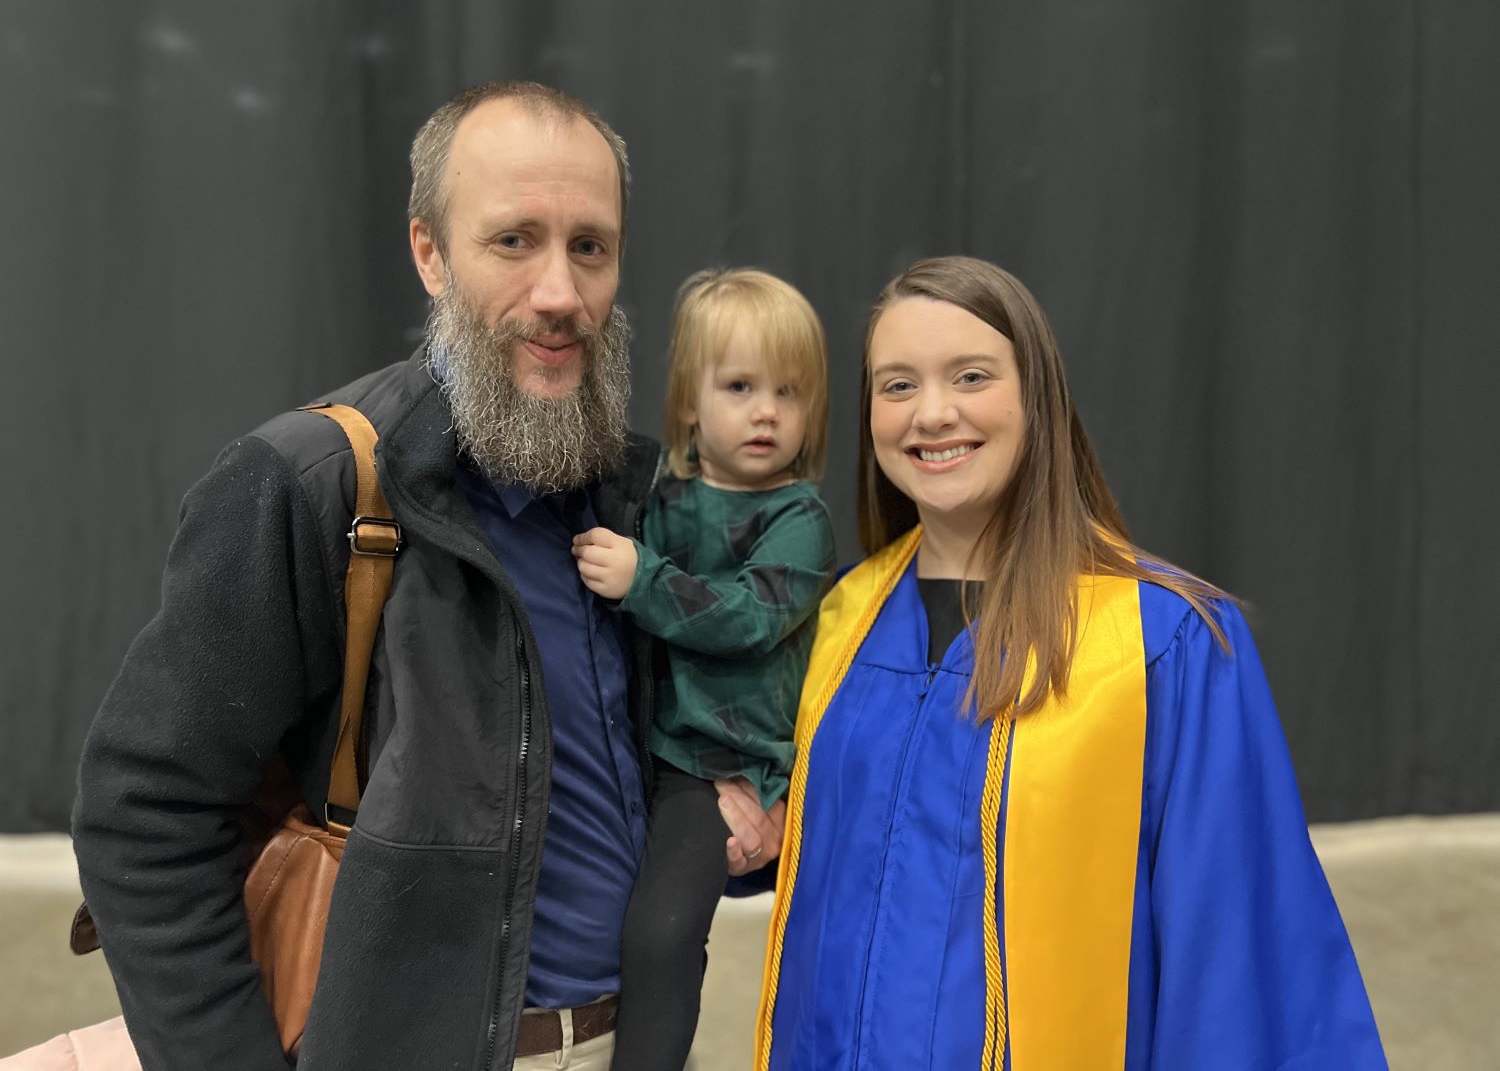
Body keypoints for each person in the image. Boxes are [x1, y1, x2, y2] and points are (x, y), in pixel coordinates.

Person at [49, 81, 782, 1071]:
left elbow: (631, 783)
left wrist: (736, 823)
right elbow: (144, 813)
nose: (561, 293)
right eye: (514, 241)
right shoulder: (314, 485)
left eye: (590, 247)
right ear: (430, 254)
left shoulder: (640, 497)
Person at [754, 256, 1387, 1070]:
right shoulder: (839, 622)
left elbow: (1236, 965)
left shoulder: (1163, 642)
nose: (932, 413)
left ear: (1037, 399)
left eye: (971, 376)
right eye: (898, 384)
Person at [571, 269, 837, 1070]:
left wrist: (642, 578)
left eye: (789, 393)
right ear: (691, 401)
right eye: (740, 385)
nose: (766, 411)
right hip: (642, 753)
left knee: (663, 931)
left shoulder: (800, 518)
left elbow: (750, 616)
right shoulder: (658, 498)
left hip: (719, 767)